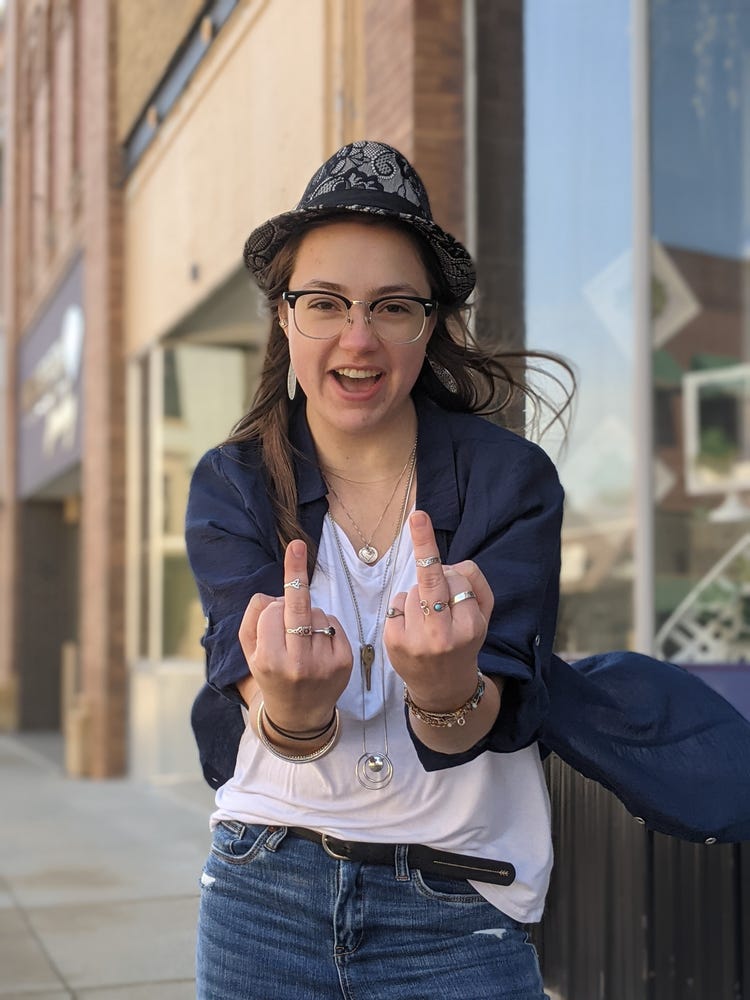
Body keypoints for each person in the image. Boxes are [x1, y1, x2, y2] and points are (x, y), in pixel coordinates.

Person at [185, 140, 750, 1000]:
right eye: (326, 303)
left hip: (458, 908)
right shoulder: (231, 484)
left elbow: (477, 722)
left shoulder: (512, 482)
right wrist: (293, 714)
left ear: (432, 323)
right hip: (262, 894)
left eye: (394, 307)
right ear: (284, 317)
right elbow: (259, 709)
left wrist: (447, 692)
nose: (358, 337)